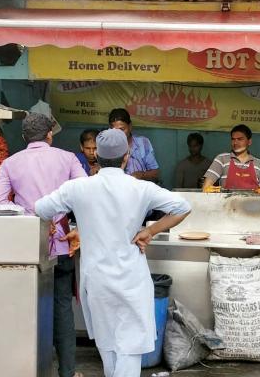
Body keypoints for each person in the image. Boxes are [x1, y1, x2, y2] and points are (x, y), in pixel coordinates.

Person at [35, 129, 191, 377]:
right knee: (129, 349)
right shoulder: (141, 188)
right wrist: (150, 232)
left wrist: (69, 226)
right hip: (131, 279)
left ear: (96, 154)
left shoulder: (77, 188)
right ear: (126, 156)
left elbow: (41, 208)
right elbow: (183, 207)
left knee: (107, 345)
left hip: (96, 279)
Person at [0, 113, 86, 377]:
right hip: (62, 246)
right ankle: (67, 372)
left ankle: (29, 369)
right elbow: (84, 193)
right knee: (62, 308)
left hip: (27, 247)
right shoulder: (67, 158)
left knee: (27, 308)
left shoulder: (10, 163)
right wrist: (59, 216)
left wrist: (32, 216)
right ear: (50, 135)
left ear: (23, 138)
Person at [202, 124, 260, 190]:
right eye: (233, 139)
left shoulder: (259, 164)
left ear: (249, 142)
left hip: (253, 204)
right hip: (227, 204)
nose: (235, 143)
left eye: (240, 139)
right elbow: (206, 187)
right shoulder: (222, 159)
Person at [109, 108, 160, 182]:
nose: (119, 134)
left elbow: (156, 173)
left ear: (130, 126)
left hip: (141, 189)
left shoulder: (143, 143)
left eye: (122, 129)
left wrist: (141, 175)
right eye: (115, 131)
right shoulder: (107, 146)